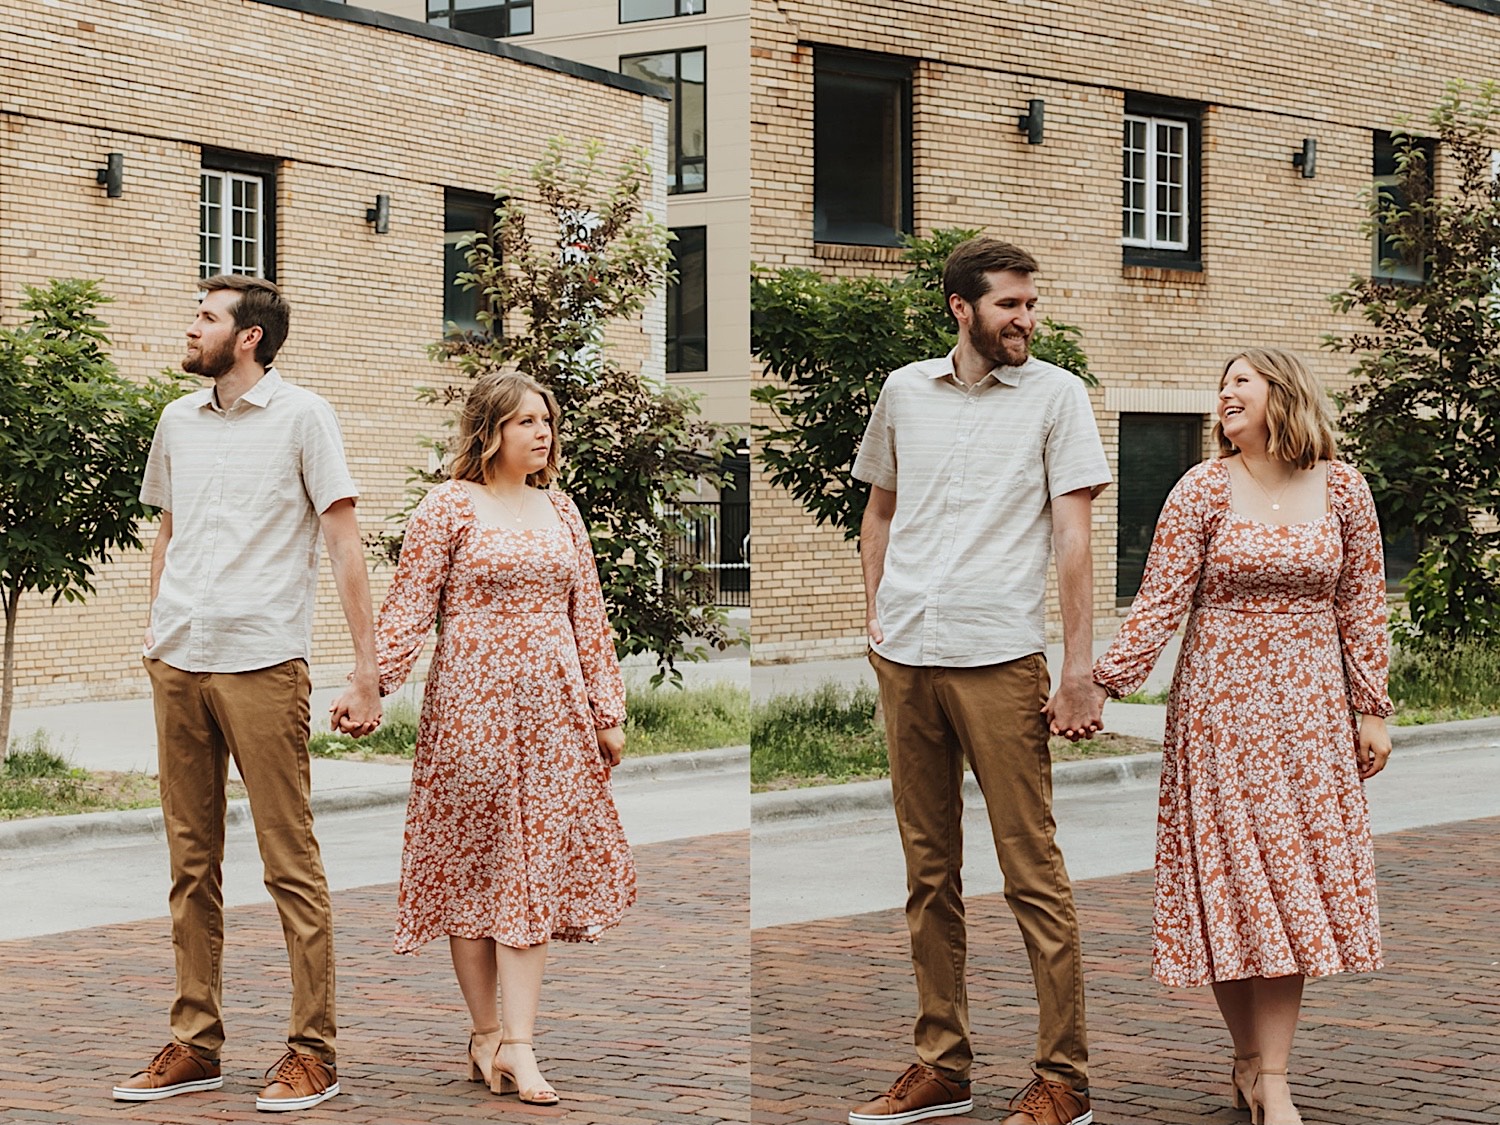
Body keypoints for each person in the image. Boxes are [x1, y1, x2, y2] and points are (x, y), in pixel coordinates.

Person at [1088, 348, 1393, 1125]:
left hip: (1310, 717)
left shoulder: (1346, 488)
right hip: (1219, 715)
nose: (1225, 395)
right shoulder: (1202, 488)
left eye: (1241, 384)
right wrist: (1101, 681)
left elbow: (1362, 603)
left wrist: (1373, 706)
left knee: (1291, 894)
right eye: (1221, 385)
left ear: (1282, 395)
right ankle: (1250, 1061)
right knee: (1227, 889)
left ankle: (1277, 1076)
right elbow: (1159, 600)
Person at [848, 237, 1109, 1125]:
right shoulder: (902, 392)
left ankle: (1063, 1077)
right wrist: (875, 611)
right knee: (928, 869)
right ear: (961, 307)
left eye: (1030, 305)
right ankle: (942, 1064)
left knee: (1030, 868)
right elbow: (877, 507)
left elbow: (1074, 540)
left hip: (1000, 656)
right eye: (1009, 306)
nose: (1026, 320)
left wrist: (1080, 670)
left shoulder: (1057, 396)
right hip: (908, 656)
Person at [115, 275, 381, 1112]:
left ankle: (314, 1051)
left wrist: (366, 669)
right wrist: (155, 628)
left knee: (288, 863)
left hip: (264, 663)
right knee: (189, 863)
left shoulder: (306, 417)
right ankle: (197, 1040)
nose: (190, 327)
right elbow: (169, 529)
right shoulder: (176, 421)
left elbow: (344, 547)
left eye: (206, 317)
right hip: (180, 660)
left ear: (249, 338)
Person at [375, 371, 636, 1106]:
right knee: (475, 869)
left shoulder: (562, 510)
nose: (543, 432)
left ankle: (520, 1042)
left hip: (554, 714)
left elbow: (589, 614)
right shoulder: (448, 506)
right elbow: (408, 609)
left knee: (532, 870)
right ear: (490, 430)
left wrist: (606, 709)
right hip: (470, 712)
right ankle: (486, 1031)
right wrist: (372, 686)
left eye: (547, 419)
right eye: (526, 420)